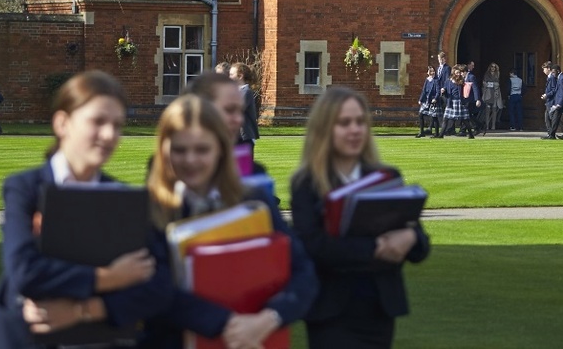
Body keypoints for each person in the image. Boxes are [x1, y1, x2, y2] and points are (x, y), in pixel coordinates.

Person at [0, 71, 168, 347]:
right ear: (63, 123)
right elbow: (25, 273)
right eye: (98, 121)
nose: (110, 134)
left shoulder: (123, 197)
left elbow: (157, 286)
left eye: (117, 124)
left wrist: (87, 310)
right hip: (20, 338)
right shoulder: (25, 188)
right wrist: (109, 278)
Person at [142, 94, 317, 348]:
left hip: (256, 335)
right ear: (164, 150)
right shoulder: (150, 208)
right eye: (180, 149)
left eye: (202, 149)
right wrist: (228, 324)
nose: (190, 160)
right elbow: (155, 288)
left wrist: (269, 318)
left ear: (221, 150)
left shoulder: (254, 200)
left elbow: (303, 272)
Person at [291, 86, 430, 349]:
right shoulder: (307, 185)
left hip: (379, 309)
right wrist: (376, 248)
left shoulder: (386, 178)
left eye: (360, 122)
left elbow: (419, 246)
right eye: (344, 123)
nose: (354, 130)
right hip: (331, 310)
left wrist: (411, 237)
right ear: (325, 128)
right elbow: (314, 247)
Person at [229, 62, 260, 148]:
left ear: (240, 76)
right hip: (236, 137)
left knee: (243, 162)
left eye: (231, 74)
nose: (229, 77)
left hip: (245, 137)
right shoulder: (235, 91)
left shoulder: (246, 92)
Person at [440, 66, 475, 139]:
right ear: (453, 73)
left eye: (459, 73)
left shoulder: (462, 81)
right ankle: (440, 135)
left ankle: (471, 135)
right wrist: (443, 91)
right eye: (457, 73)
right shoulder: (448, 81)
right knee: (445, 118)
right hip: (451, 102)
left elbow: (466, 90)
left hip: (460, 102)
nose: (458, 74)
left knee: (465, 119)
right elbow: (446, 91)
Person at [416, 65, 441, 138]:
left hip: (433, 101)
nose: (432, 72)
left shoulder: (436, 80)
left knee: (434, 117)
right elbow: (424, 91)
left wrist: (435, 98)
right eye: (431, 71)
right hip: (426, 100)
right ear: (428, 72)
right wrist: (420, 99)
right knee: (420, 114)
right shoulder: (427, 80)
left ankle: (436, 134)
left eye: (433, 71)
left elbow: (438, 91)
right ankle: (422, 132)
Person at [481, 63, 503, 134]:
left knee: (494, 110)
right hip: (488, 92)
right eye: (492, 67)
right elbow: (484, 83)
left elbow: (498, 84)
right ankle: (487, 125)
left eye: (494, 67)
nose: (493, 68)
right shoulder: (486, 74)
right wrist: (490, 84)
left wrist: (493, 84)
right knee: (487, 110)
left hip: (495, 93)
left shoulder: (497, 74)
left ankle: (493, 126)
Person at [540, 61, 560, 138]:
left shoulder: (552, 78)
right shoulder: (550, 78)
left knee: (549, 118)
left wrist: (546, 95)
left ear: (548, 69)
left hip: (551, 101)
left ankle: (551, 134)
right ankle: (550, 134)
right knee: (547, 118)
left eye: (544, 69)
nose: (543, 71)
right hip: (549, 101)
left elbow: (554, 90)